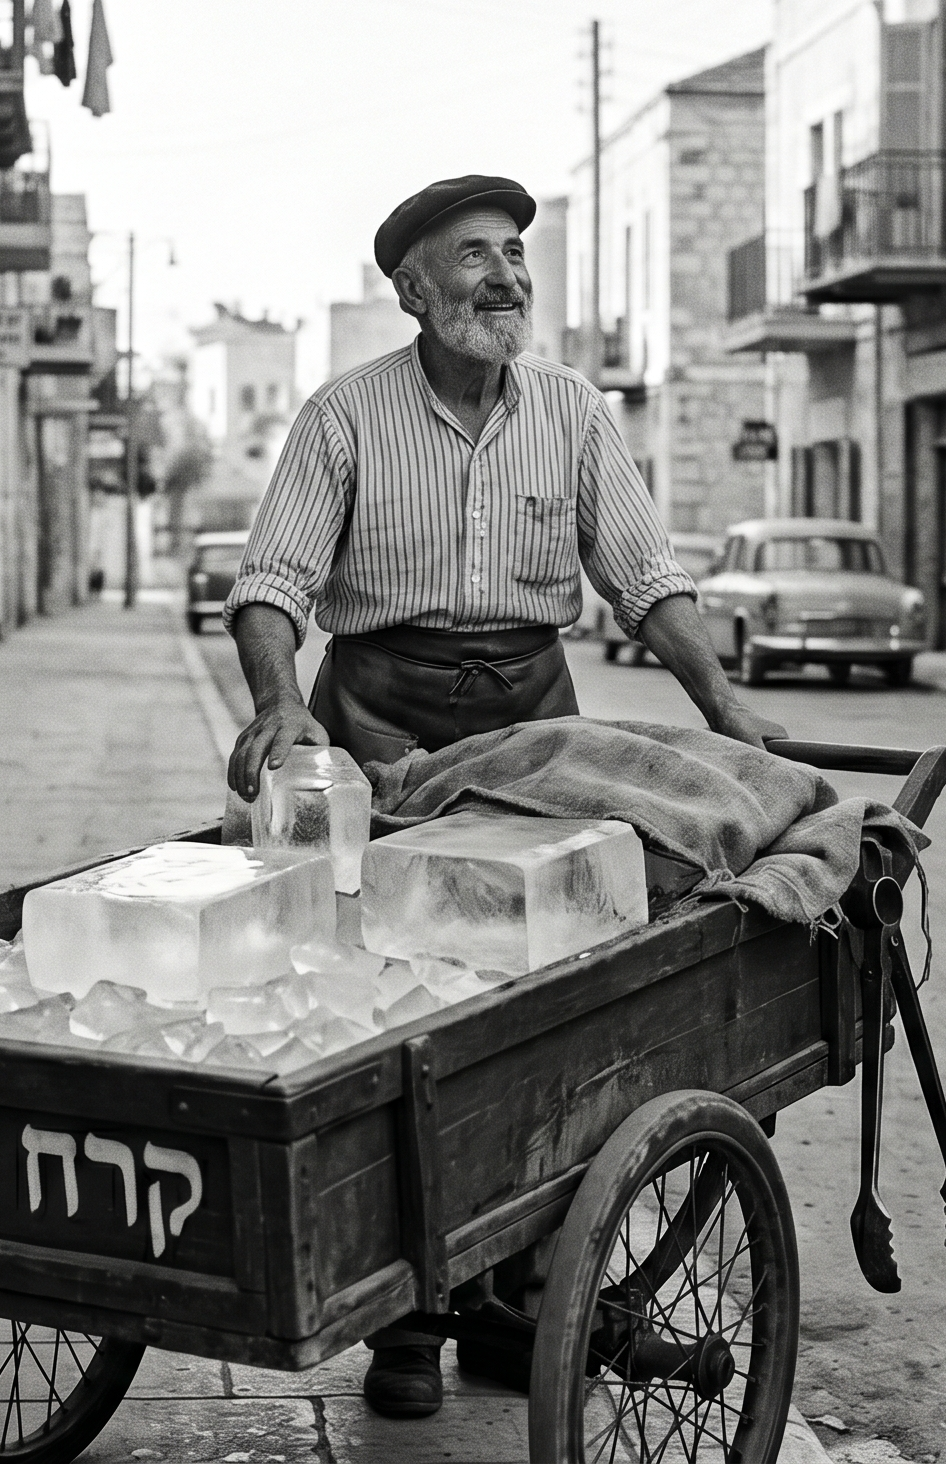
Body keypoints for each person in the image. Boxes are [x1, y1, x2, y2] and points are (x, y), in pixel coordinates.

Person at [220, 175, 785, 1419]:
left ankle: (519, 1294)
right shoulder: (343, 416)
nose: (505, 274)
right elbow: (271, 585)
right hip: (381, 723)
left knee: (548, 995)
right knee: (393, 998)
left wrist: (725, 712)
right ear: (412, 288)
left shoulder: (572, 411)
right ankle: (408, 1317)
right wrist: (278, 703)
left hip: (534, 726)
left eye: (515, 252)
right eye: (473, 254)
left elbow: (644, 578)